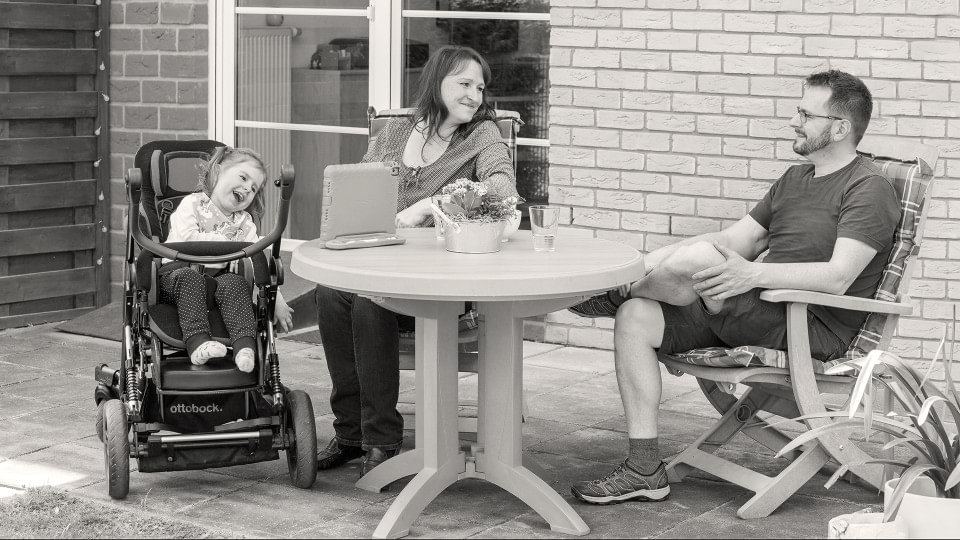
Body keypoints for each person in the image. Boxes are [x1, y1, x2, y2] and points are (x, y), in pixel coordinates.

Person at [567, 70, 900, 505]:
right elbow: (732, 242)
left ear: (840, 127)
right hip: (753, 310)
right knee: (638, 316)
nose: (794, 121)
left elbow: (838, 276)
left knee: (699, 263)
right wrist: (644, 261)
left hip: (808, 325)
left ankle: (616, 295)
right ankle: (644, 469)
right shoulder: (794, 179)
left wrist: (753, 275)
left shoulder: (868, 187)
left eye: (805, 113)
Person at [315, 45, 519, 477]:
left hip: (441, 288)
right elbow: (359, 191)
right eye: (464, 84)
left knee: (373, 302)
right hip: (384, 268)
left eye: (480, 87)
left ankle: (382, 440)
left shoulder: (482, 136)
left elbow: (501, 190)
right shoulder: (394, 133)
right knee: (331, 294)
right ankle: (350, 433)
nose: (474, 95)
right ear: (437, 82)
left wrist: (432, 203)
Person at [161, 146, 294, 372]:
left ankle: (245, 348)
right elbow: (186, 239)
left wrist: (276, 297)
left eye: (254, 188)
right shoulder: (192, 205)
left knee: (236, 283)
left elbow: (257, 257)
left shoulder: (245, 223)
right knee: (189, 277)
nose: (247, 188)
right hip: (177, 276)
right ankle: (198, 344)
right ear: (218, 172)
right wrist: (227, 244)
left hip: (216, 283)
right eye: (242, 177)